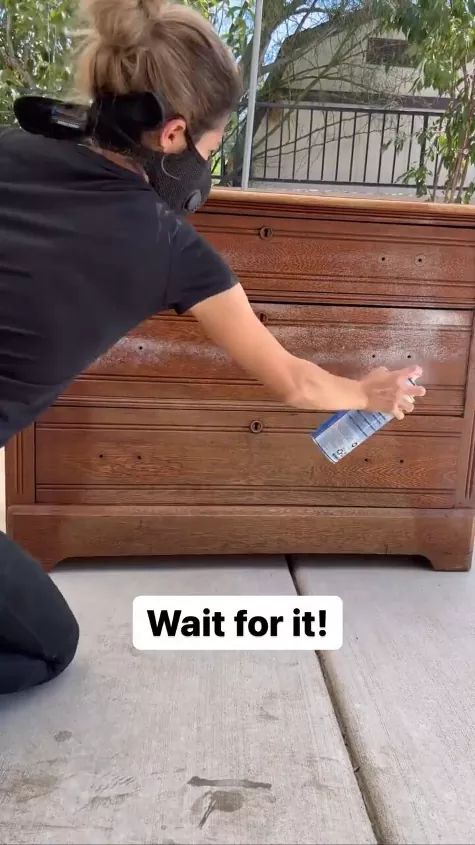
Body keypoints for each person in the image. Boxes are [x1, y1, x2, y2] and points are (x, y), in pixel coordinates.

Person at [0, 0, 425, 695]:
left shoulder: (8, 150)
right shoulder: (166, 247)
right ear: (172, 134)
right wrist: (368, 393)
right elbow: (290, 380)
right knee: (49, 646)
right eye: (211, 147)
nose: (209, 166)